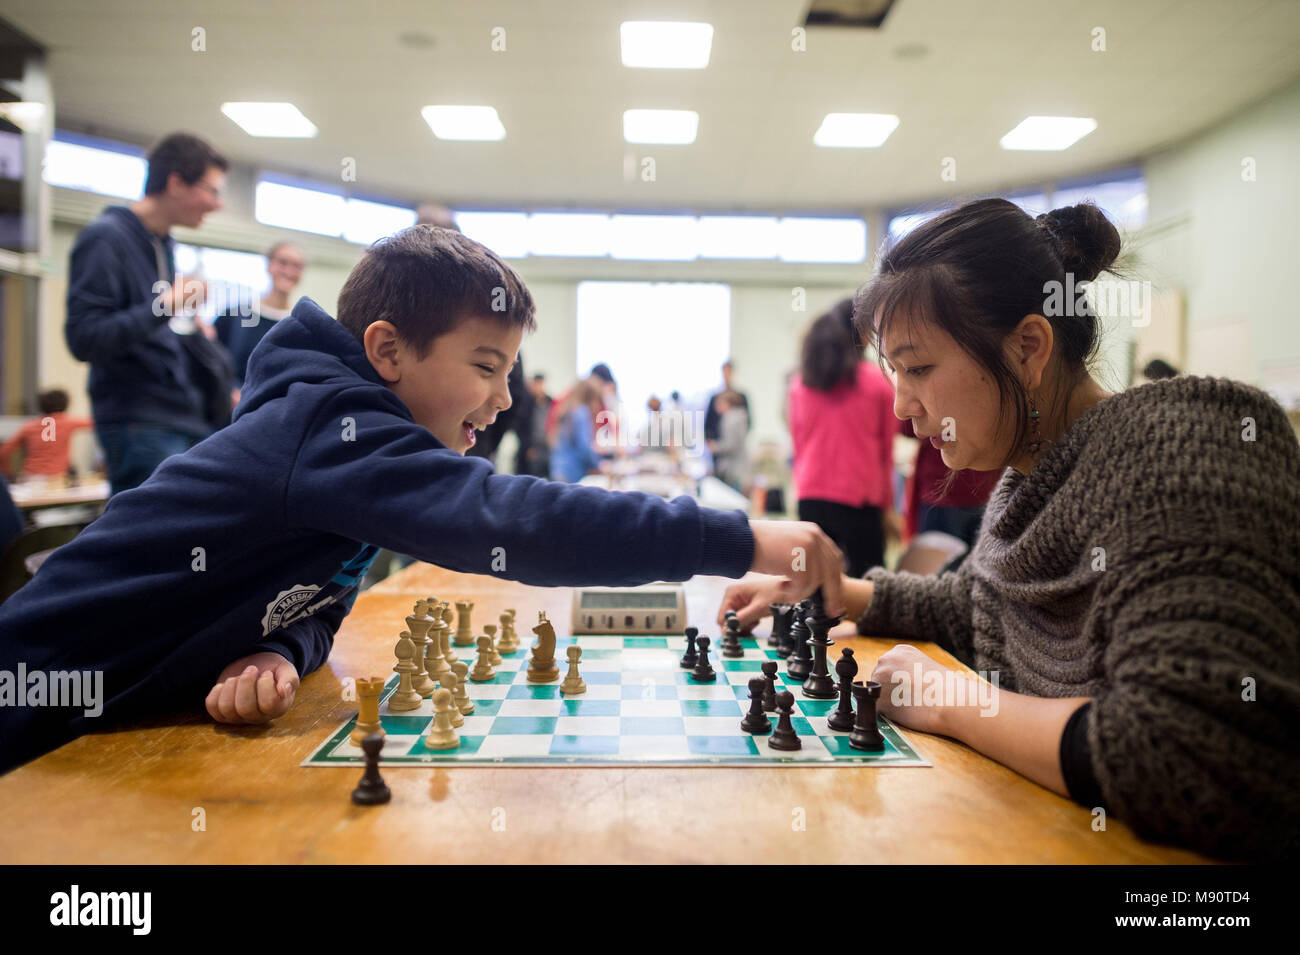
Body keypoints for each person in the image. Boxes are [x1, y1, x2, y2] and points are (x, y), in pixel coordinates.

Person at [0, 225, 845, 772]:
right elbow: (512, 520)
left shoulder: (350, 461)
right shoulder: (332, 427)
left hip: (106, 733)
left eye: (509, 372)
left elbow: (328, 597)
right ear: (387, 350)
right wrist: (745, 538)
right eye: (485, 367)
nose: (505, 399)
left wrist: (283, 647)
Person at [718, 198, 1300, 862]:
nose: (904, 405)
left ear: (1028, 348)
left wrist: (950, 698)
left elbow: (1191, 751)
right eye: (894, 374)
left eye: (919, 368)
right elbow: (981, 605)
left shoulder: (1190, 447)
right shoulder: (1029, 478)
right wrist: (833, 591)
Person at [65, 132, 232, 495]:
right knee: (152, 543)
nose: (217, 204)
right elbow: (85, 338)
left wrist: (187, 327)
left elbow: (149, 326)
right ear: (175, 183)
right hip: (140, 421)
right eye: (212, 190)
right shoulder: (105, 238)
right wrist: (166, 305)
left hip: (180, 416)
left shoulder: (163, 243)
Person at [787, 301, 898, 577]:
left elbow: (799, 446)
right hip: (859, 499)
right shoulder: (877, 383)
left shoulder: (801, 383)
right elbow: (886, 454)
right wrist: (888, 508)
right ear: (859, 334)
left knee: (817, 587)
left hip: (811, 495)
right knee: (869, 584)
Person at [214, 241, 306, 403]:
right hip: (231, 412)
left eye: (296, 266)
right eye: (282, 262)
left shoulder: (303, 325)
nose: (289, 271)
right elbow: (214, 362)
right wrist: (229, 392)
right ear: (269, 265)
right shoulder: (234, 316)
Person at [0, 390, 93, 482]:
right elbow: (96, 424)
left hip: (30, 480)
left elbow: (4, 452)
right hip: (56, 480)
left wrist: (8, 475)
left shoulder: (30, 426)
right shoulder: (68, 422)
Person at [549, 379, 604, 483]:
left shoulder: (567, 409)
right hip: (573, 472)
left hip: (559, 468)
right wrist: (599, 465)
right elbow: (584, 447)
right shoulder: (582, 413)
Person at [704, 360, 750, 451]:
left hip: (733, 449)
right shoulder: (715, 397)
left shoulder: (741, 398)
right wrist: (712, 444)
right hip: (718, 448)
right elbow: (708, 423)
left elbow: (748, 422)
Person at [710, 391, 751, 492]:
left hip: (732, 468)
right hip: (741, 465)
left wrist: (715, 447)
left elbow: (731, 445)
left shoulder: (729, 419)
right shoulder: (741, 416)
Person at [519, 373, 552, 477]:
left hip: (547, 447)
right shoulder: (527, 404)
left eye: (540, 384)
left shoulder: (550, 402)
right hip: (532, 447)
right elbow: (521, 428)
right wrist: (528, 446)